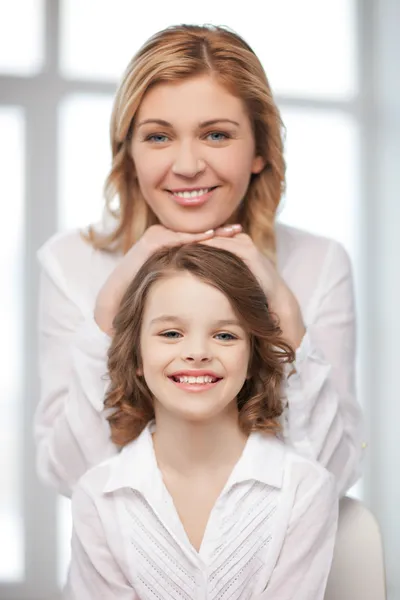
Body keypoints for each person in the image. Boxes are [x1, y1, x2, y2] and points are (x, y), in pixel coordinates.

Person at [35, 24, 364, 498]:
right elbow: (71, 479)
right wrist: (105, 323)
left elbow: (333, 476)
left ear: (259, 150)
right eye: (158, 137)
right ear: (128, 154)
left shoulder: (319, 263)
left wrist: (289, 327)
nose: (187, 165)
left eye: (215, 135)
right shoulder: (70, 263)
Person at [65, 243, 338, 600]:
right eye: (171, 334)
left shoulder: (305, 489)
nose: (197, 352)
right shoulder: (98, 497)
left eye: (225, 335)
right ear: (135, 355)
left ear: (253, 358)